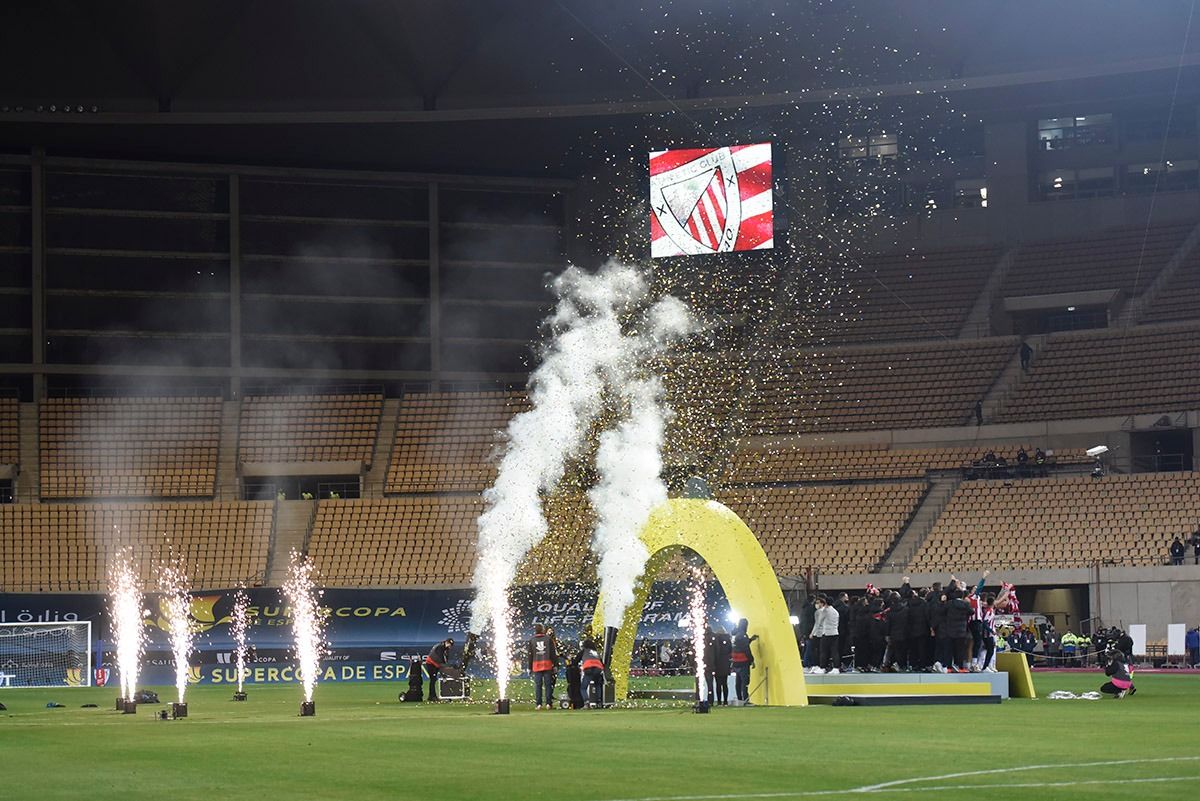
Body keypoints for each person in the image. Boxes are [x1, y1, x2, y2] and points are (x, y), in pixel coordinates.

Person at [527, 623, 559, 710]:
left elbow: (530, 655)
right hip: (547, 664)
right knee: (548, 685)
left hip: (536, 665)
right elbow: (553, 653)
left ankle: (538, 704)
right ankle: (548, 703)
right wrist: (555, 664)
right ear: (542, 630)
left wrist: (529, 667)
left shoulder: (532, 640)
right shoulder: (548, 639)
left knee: (538, 685)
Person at [809, 595, 840, 675]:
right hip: (835, 633)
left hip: (826, 633)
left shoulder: (825, 611)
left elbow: (818, 623)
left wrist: (812, 633)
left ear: (825, 602)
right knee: (834, 651)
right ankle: (836, 668)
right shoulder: (835, 611)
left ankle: (823, 667)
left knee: (823, 652)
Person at [731, 618, 757, 704]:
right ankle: (745, 699)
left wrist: (750, 640)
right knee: (745, 682)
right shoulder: (743, 635)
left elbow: (739, 645)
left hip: (735, 661)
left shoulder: (736, 634)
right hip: (743, 661)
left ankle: (740, 699)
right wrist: (752, 660)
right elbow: (746, 649)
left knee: (738, 682)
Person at [423, 637, 454, 702]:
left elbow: (445, 660)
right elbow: (440, 659)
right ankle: (432, 696)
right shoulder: (440, 647)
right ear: (446, 642)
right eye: (449, 644)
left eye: (451, 645)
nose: (450, 646)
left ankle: (432, 696)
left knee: (434, 679)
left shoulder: (445, 648)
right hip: (431, 663)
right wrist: (444, 667)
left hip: (435, 664)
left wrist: (445, 666)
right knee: (433, 679)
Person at [578, 638, 605, 708]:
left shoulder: (584, 651)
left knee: (583, 687)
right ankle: (599, 702)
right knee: (597, 685)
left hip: (588, 668)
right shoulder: (596, 652)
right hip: (598, 668)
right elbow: (602, 662)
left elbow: (576, 660)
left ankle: (586, 702)